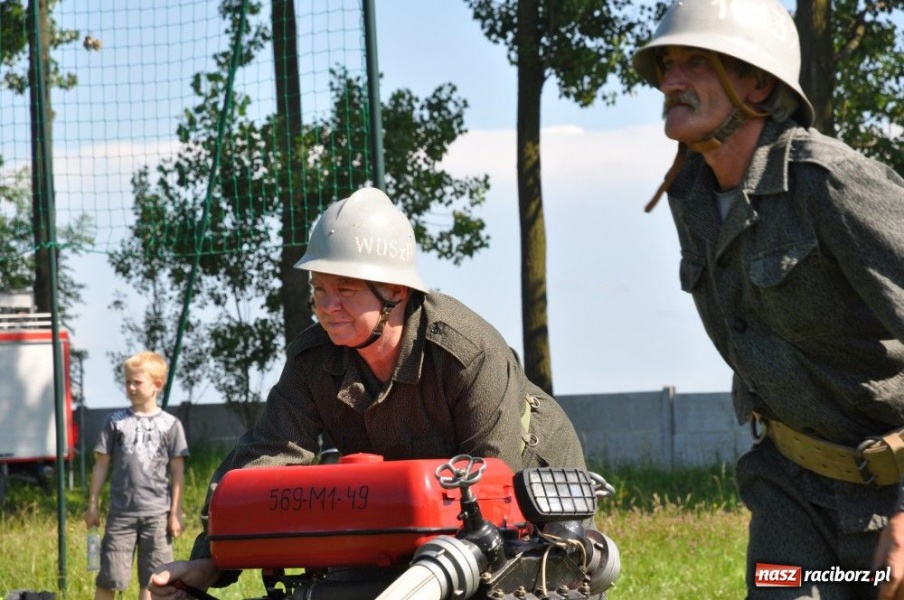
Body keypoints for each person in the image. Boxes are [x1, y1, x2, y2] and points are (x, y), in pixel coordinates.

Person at [149, 187, 588, 598]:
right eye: (319, 289)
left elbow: (492, 486)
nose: (326, 305)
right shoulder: (312, 362)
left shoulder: (465, 351)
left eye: (345, 289)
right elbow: (267, 455)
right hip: (413, 505)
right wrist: (207, 560)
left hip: (531, 485)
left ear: (395, 291)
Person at [632, 0, 904, 598]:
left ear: (757, 83)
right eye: (666, 65)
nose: (669, 81)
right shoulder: (690, 195)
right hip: (789, 492)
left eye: (696, 63)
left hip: (893, 496)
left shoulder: (830, 183)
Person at [85, 351, 189, 600]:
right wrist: (92, 505)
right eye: (127, 382)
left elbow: (177, 472)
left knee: (154, 580)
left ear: (157, 385)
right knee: (109, 577)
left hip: (157, 515)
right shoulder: (115, 422)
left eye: (137, 382)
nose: (130, 387)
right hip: (121, 515)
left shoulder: (170, 425)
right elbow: (101, 465)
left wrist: (175, 513)